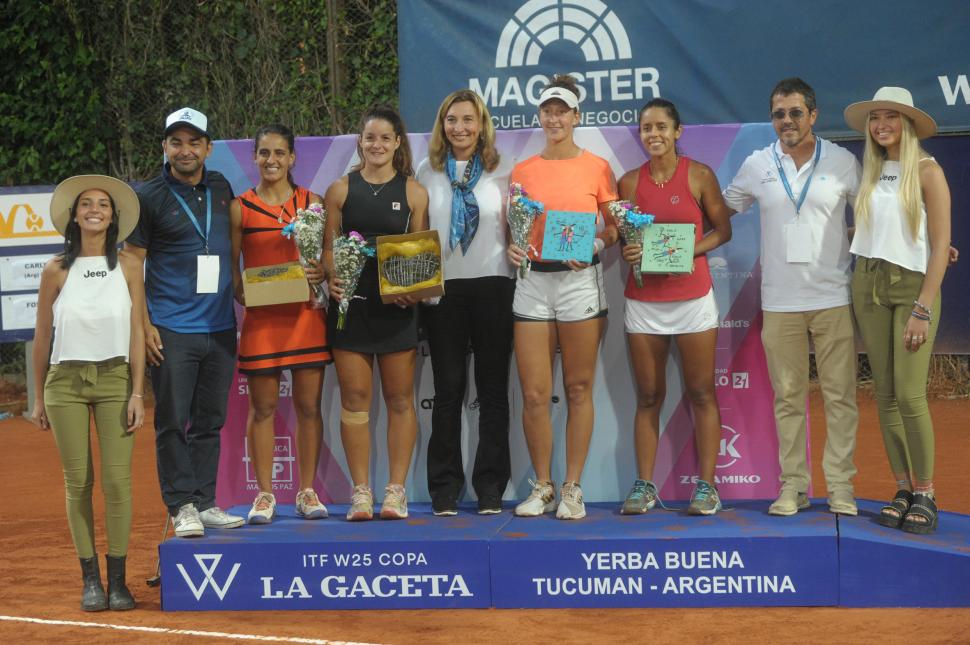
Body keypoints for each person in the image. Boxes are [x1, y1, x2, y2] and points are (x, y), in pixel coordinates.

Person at [723, 78, 861, 517]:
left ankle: (840, 487)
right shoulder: (757, 164)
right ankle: (793, 487)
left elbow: (874, 216)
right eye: (779, 114)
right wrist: (667, 234)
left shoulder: (842, 161)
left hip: (832, 297)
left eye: (796, 112)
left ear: (813, 115)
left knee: (840, 397)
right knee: (787, 399)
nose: (787, 121)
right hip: (779, 303)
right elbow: (720, 208)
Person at [124, 107, 244, 537]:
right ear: (165, 147)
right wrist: (144, 324)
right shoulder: (148, 196)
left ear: (208, 148)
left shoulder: (221, 186)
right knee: (173, 422)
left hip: (220, 327)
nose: (185, 150)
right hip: (172, 329)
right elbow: (132, 264)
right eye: (176, 142)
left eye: (194, 142)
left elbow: (233, 247)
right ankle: (181, 506)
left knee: (209, 422)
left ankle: (205, 502)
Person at [506, 75, 619, 520]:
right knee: (535, 393)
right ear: (540, 116)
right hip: (533, 283)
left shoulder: (597, 167)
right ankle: (543, 486)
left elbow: (615, 227)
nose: (554, 119)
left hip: (579, 283)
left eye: (562, 112)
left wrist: (596, 244)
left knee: (577, 387)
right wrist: (513, 248)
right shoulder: (522, 171)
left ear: (576, 116)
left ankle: (573, 487)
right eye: (548, 111)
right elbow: (517, 231)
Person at [31, 175, 145, 611]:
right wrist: (38, 397)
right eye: (86, 204)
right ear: (74, 215)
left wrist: (138, 392)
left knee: (117, 482)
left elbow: (137, 331)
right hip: (64, 383)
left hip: (116, 378)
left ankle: (118, 581)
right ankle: (91, 581)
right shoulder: (55, 269)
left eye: (103, 205)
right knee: (77, 481)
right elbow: (43, 335)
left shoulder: (129, 265)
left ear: (113, 217)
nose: (94, 210)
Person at [617, 98, 733, 516]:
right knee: (648, 396)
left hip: (693, 300)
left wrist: (687, 253)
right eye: (647, 128)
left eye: (661, 127)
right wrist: (630, 250)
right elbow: (625, 237)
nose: (654, 134)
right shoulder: (628, 182)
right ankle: (644, 485)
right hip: (644, 303)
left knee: (701, 392)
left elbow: (723, 231)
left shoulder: (700, 175)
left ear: (677, 131)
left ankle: (707, 487)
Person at [843, 87, 951, 533]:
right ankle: (903, 488)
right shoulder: (870, 170)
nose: (881, 125)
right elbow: (874, 229)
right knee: (884, 395)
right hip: (867, 282)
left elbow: (941, 243)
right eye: (875, 117)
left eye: (890, 117)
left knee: (909, 395)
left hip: (911, 289)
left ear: (907, 123)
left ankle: (926, 492)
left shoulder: (927, 170)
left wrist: (923, 307)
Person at [323, 105, 429, 521]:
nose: (377, 145)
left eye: (385, 138)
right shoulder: (339, 190)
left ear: (398, 143)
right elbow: (328, 250)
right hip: (351, 309)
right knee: (354, 401)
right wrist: (332, 280)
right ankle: (361, 493)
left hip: (397, 312)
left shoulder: (414, 192)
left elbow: (422, 256)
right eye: (370, 138)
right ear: (360, 141)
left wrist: (414, 291)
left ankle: (395, 492)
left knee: (400, 400)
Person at [416, 90, 514, 516]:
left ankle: (490, 486)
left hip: (495, 285)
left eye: (468, 119)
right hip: (443, 292)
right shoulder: (426, 170)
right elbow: (419, 234)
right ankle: (444, 486)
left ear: (482, 124)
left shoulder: (503, 168)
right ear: (442, 125)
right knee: (448, 391)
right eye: (452, 119)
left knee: (493, 391)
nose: (460, 128)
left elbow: (517, 226)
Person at [229, 124, 331, 524]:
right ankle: (264, 494)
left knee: (308, 407)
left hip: (305, 317)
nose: (271, 160)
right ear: (254, 157)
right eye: (264, 153)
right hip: (263, 322)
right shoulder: (241, 207)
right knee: (263, 408)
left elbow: (324, 257)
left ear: (292, 158)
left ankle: (307, 492)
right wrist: (242, 290)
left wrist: (320, 272)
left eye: (279, 153)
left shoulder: (312, 202)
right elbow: (234, 268)